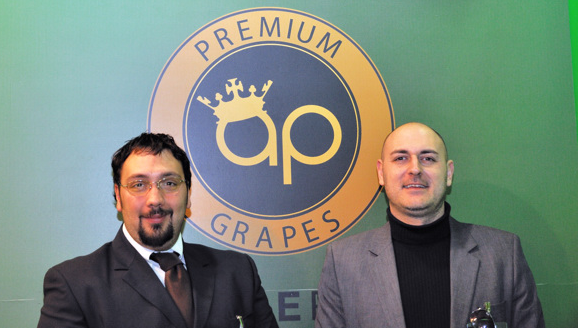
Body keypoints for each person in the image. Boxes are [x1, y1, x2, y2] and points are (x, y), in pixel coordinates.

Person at [315, 122, 545, 328]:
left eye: (428, 158)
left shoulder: (503, 254)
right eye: (400, 158)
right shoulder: (343, 262)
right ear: (381, 173)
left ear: (449, 173)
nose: (415, 169)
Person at [38, 132, 278, 328]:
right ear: (118, 197)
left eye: (169, 183)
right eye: (138, 184)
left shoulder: (238, 271)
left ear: (188, 194)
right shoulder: (74, 284)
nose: (155, 199)